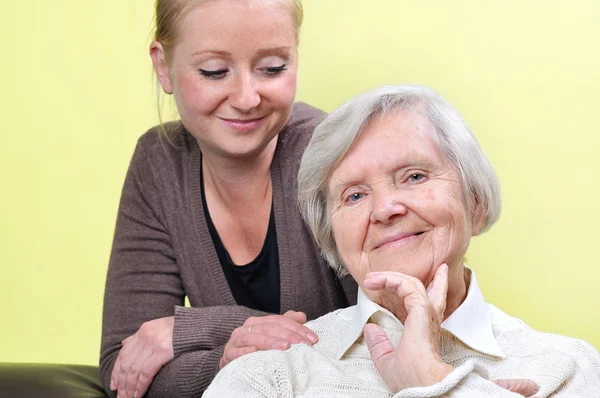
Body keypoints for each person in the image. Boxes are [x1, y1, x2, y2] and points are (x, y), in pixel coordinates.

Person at [204, 85, 600, 397]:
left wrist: (430, 379)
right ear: (333, 238)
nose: (385, 208)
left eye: (414, 176)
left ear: (475, 202)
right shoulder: (271, 374)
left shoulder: (567, 368)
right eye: (355, 195)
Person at [98, 1, 359, 397]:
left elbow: (390, 341)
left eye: (273, 67)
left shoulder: (335, 157)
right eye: (214, 72)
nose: (246, 97)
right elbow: (125, 366)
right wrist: (225, 358)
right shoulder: (158, 164)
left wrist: (195, 330)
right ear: (163, 66)